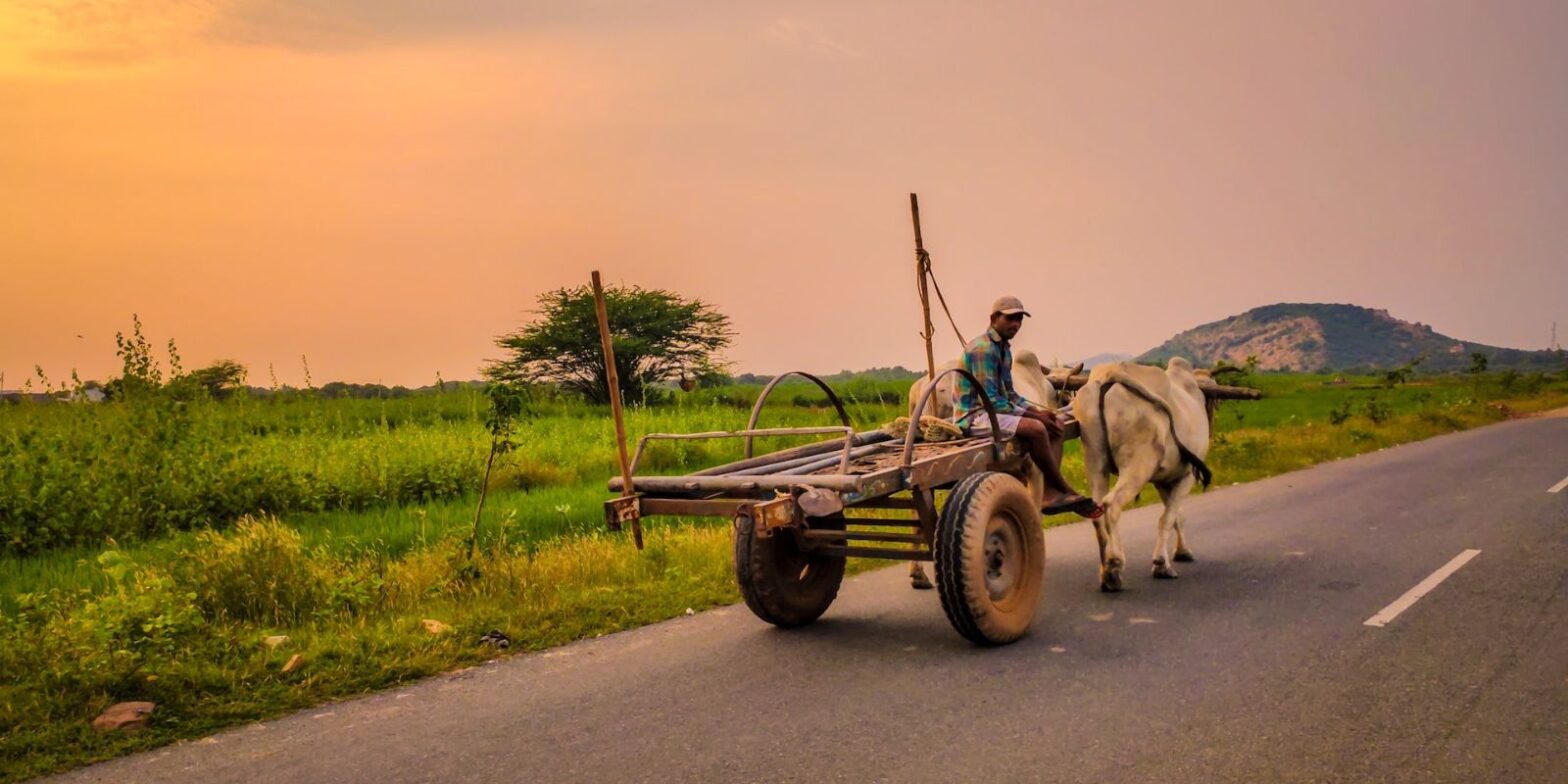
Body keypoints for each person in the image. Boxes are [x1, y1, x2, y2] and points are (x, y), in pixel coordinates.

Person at [955, 296, 1102, 518]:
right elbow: (991, 400)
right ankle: (1061, 489)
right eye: (1010, 318)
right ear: (994, 318)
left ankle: (1051, 490)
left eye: (1019, 320)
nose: (1016, 325)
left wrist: (1039, 412)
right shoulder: (983, 349)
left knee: (1055, 421)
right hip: (975, 415)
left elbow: (1010, 394)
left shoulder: (1003, 349)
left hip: (993, 412)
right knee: (1036, 429)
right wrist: (1034, 418)